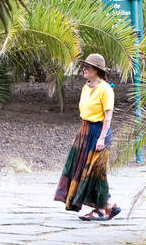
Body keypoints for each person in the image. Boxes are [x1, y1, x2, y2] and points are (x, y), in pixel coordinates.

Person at [52, 53, 121, 221]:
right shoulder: (86, 87)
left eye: (88, 67)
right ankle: (110, 204)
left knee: (97, 172)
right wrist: (79, 136)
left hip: (98, 132)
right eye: (84, 66)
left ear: (97, 70)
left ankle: (100, 210)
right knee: (82, 170)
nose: (84, 69)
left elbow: (108, 117)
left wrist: (102, 138)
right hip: (85, 131)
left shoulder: (105, 89)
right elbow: (85, 113)